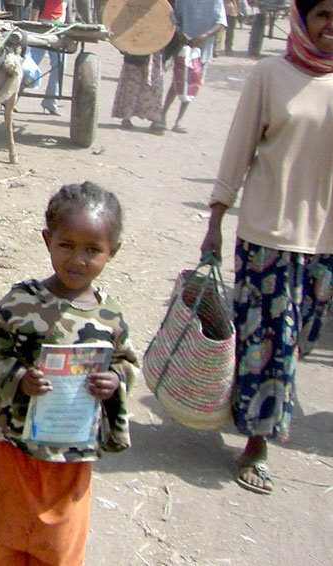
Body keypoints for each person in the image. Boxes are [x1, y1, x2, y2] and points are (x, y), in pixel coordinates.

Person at [200, 0, 333, 495]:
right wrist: (216, 216)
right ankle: (259, 440)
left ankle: (241, 406)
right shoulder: (270, 75)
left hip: (326, 243)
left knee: (299, 342)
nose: (330, 28)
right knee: (272, 342)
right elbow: (238, 149)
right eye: (322, 15)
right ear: (302, 19)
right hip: (268, 236)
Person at [0, 182, 139, 566]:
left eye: (92, 249)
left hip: (70, 461)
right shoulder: (22, 302)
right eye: (67, 245)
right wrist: (18, 379)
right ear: (48, 241)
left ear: (113, 251)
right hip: (11, 452)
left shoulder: (109, 318)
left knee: (58, 552)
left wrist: (114, 383)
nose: (78, 259)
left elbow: (127, 364)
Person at [153, 0, 227, 132]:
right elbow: (175, 19)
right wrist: (181, 34)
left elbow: (221, 22)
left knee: (192, 83)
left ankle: (179, 120)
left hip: (202, 49)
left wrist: (204, 36)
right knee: (177, 82)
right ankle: (162, 115)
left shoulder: (216, 2)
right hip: (183, 46)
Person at [29, 0, 68, 115]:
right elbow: (35, 7)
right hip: (42, 28)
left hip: (60, 29)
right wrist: (33, 28)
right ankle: (11, 97)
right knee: (30, 64)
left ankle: (51, 100)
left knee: (60, 66)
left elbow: (68, 10)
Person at [111, 51, 166, 130]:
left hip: (156, 51)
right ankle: (126, 117)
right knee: (132, 84)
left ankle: (156, 118)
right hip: (136, 49)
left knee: (155, 85)